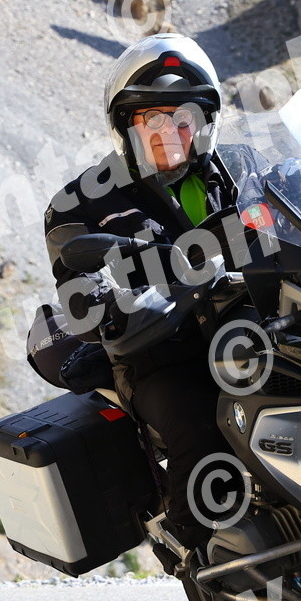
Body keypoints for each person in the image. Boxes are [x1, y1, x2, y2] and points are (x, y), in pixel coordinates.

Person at [41, 34, 251, 552]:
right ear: (125, 125)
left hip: (256, 328)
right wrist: (107, 301)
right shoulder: (80, 203)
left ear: (206, 121)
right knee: (199, 421)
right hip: (160, 354)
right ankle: (192, 545)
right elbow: (79, 292)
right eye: (151, 117)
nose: (168, 132)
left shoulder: (242, 170)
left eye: (184, 117)